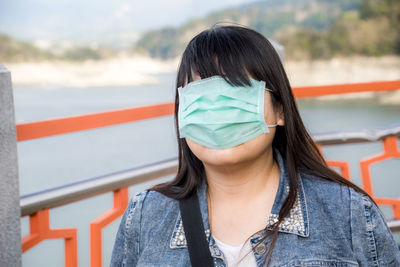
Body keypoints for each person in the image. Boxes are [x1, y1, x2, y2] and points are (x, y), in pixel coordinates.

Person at [110, 23, 400, 267]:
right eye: (201, 97)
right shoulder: (144, 217)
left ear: (280, 110)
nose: (219, 114)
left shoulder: (346, 212)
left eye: (236, 93)